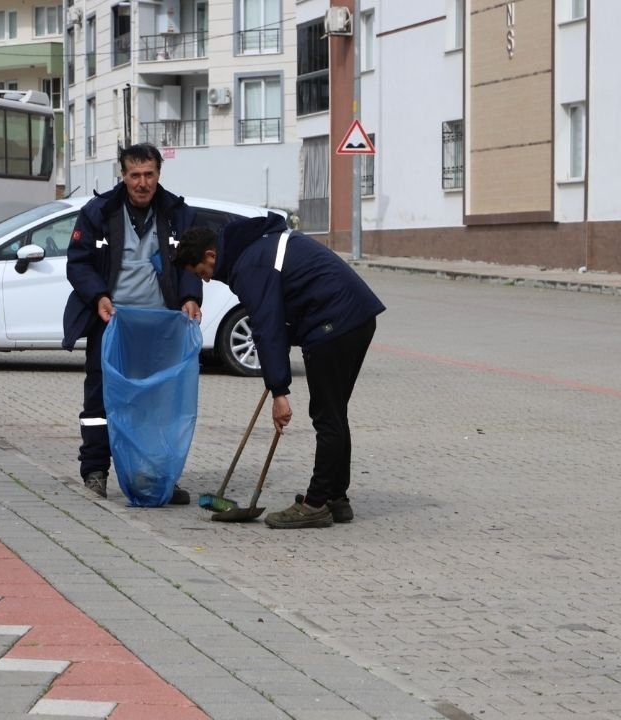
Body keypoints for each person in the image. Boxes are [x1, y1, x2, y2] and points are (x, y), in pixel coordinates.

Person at [174, 216, 385, 529]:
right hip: (353, 317)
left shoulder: (249, 265)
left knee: (327, 415)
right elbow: (281, 313)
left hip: (335, 323)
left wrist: (279, 392)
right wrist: (277, 366)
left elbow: (267, 325)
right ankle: (335, 499)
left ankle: (315, 504)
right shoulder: (254, 249)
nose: (204, 280)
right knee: (334, 412)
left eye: (201, 272)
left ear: (210, 255)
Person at [61, 143, 201, 505]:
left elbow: (191, 261)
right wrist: (98, 296)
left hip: (160, 327)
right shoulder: (99, 212)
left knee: (155, 403)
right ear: (122, 175)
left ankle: (155, 476)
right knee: (100, 399)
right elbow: (78, 263)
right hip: (112, 324)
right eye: (135, 175)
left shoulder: (177, 213)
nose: (142, 183)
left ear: (159, 175)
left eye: (149, 174)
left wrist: (190, 297)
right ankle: (95, 471)